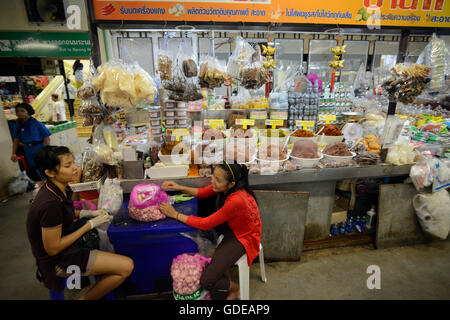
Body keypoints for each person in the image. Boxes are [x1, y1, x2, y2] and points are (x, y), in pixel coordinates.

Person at [27, 146, 134, 300]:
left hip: (69, 246)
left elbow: (64, 214)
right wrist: (88, 225)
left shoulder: (58, 188)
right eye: (67, 166)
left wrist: (88, 213)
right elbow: (53, 248)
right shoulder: (49, 203)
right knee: (126, 266)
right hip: (58, 260)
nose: (75, 168)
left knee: (110, 247)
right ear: (50, 173)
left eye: (73, 162)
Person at [160, 161, 262, 300]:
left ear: (231, 184)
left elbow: (205, 223)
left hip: (243, 237)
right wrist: (179, 187)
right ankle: (226, 284)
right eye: (213, 176)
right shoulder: (227, 187)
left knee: (207, 281)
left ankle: (234, 289)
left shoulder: (237, 200)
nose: (212, 181)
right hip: (233, 229)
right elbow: (202, 192)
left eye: (218, 180)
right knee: (213, 271)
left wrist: (175, 214)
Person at [11, 103, 51, 186]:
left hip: (39, 148)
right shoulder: (18, 125)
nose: (19, 113)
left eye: (22, 111)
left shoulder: (36, 124)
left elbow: (46, 137)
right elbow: (16, 140)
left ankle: (49, 185)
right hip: (28, 150)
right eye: (18, 111)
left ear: (28, 112)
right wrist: (14, 153)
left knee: (43, 167)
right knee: (33, 169)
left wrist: (47, 150)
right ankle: (40, 186)